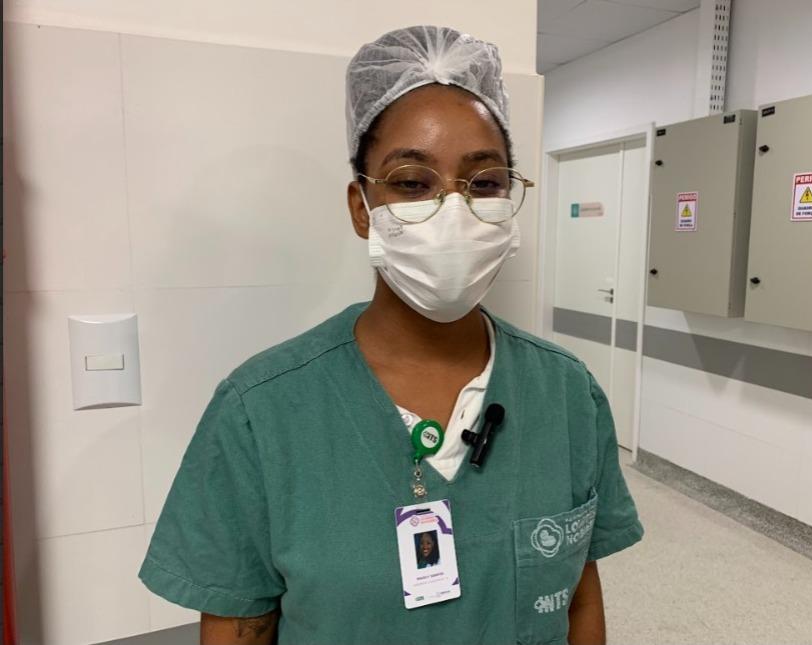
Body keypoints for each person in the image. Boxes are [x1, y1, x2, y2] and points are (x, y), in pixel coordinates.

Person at [139, 25, 643, 645]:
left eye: (485, 182)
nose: (453, 210)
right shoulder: (262, 412)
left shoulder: (566, 394)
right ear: (362, 207)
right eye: (412, 182)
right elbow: (239, 626)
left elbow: (579, 599)